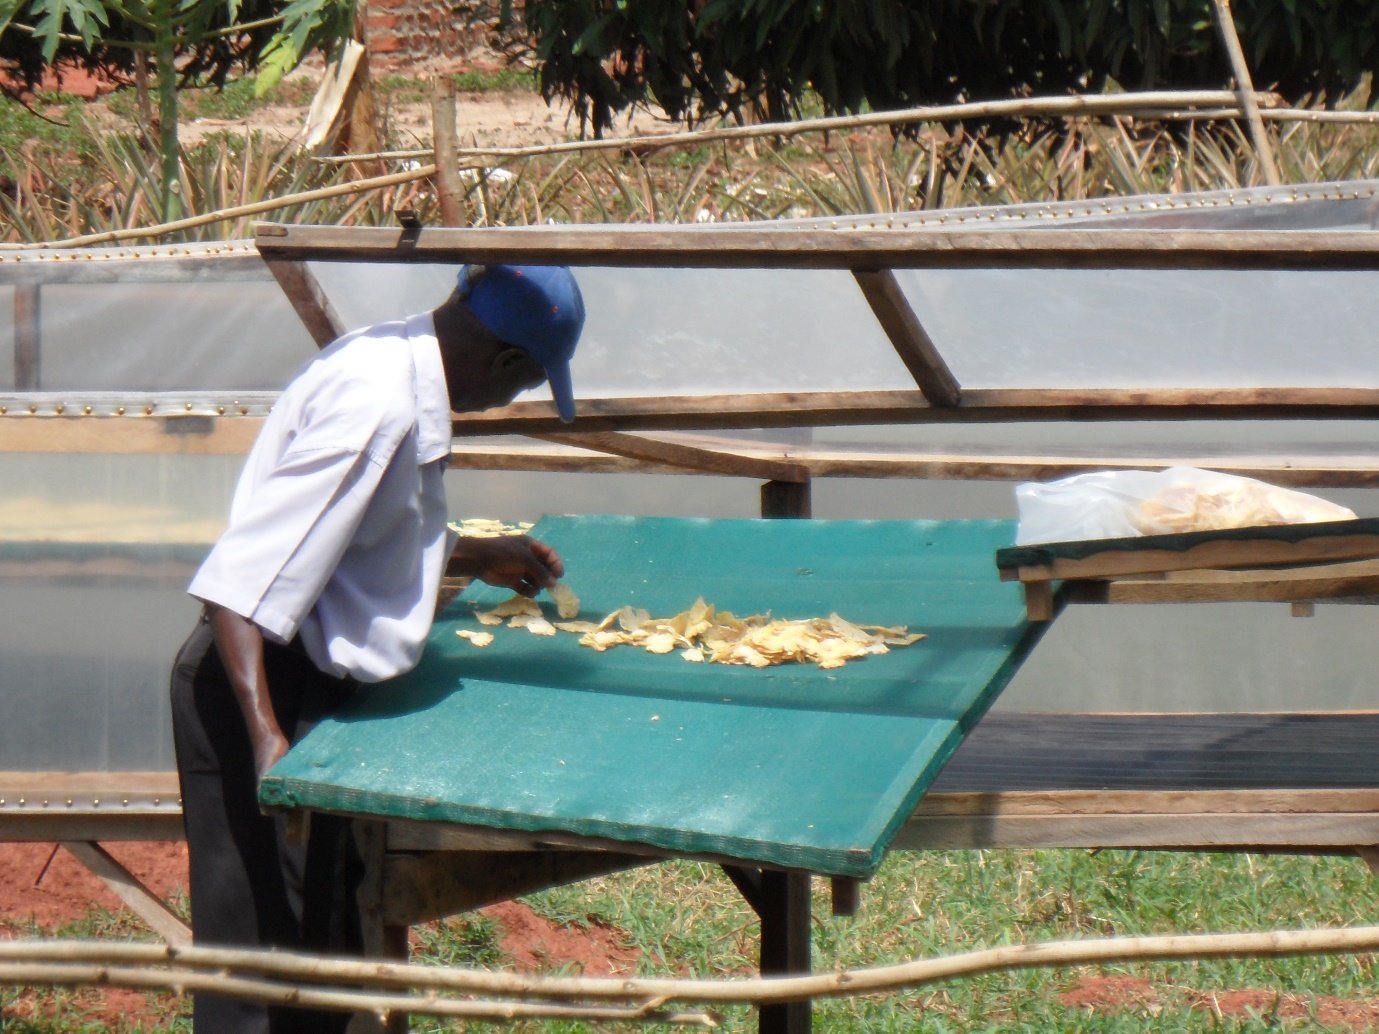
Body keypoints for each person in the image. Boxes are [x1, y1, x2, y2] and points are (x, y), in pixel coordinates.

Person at [170, 264, 585, 1033]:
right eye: (526, 384)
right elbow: (237, 587)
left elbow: (353, 537)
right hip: (262, 685)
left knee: (324, 927)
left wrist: (468, 553)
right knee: (269, 956)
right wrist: (268, 740)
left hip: (299, 680)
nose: (512, 401)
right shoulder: (378, 408)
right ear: (503, 364)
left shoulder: (390, 356)